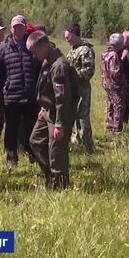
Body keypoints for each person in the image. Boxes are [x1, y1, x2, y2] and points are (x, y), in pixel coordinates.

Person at [26, 31, 76, 190]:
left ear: (43, 46)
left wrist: (60, 124)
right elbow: (46, 89)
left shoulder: (59, 65)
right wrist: (43, 107)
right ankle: (50, 176)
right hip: (47, 111)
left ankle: (61, 185)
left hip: (58, 114)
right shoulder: (47, 60)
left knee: (57, 151)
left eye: (34, 52)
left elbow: (62, 98)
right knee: (35, 141)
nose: (33, 56)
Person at [0, 15, 41, 169]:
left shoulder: (32, 46)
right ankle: (11, 158)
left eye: (20, 26)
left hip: (31, 96)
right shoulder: (2, 49)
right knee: (11, 130)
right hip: (11, 98)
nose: (17, 29)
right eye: (15, 27)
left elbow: (40, 71)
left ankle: (33, 154)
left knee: (32, 128)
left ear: (24, 27)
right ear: (11, 27)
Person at [64, 23, 95, 150]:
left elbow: (89, 71)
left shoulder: (85, 50)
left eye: (68, 37)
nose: (67, 40)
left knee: (82, 117)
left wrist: (73, 76)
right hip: (73, 90)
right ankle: (76, 141)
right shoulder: (73, 49)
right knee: (73, 115)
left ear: (74, 34)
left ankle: (87, 144)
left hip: (82, 89)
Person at [101, 33, 128, 133]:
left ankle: (109, 126)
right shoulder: (114, 56)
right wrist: (123, 83)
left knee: (110, 105)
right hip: (115, 86)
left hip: (107, 84)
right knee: (118, 107)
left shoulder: (105, 53)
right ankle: (116, 129)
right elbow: (115, 73)